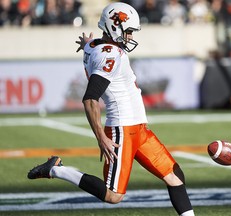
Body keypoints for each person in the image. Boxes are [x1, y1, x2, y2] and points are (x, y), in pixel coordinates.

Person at [27, 2, 195, 216]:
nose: (131, 37)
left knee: (174, 176)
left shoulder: (96, 46)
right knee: (112, 195)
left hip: (138, 129)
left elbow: (92, 44)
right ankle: (56, 169)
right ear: (115, 28)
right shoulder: (110, 55)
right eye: (129, 31)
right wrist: (101, 138)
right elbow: (90, 99)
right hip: (122, 129)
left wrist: (88, 43)